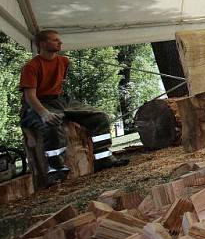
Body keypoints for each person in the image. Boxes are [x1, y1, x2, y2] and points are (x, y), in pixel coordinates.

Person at [19, 30, 128, 187]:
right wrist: (43, 113)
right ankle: (56, 172)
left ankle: (103, 158)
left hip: (60, 100)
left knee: (100, 117)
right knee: (51, 125)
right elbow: (30, 96)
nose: (60, 43)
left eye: (59, 40)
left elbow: (59, 86)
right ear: (42, 44)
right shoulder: (30, 67)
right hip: (36, 103)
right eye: (55, 40)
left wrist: (67, 108)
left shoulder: (64, 61)